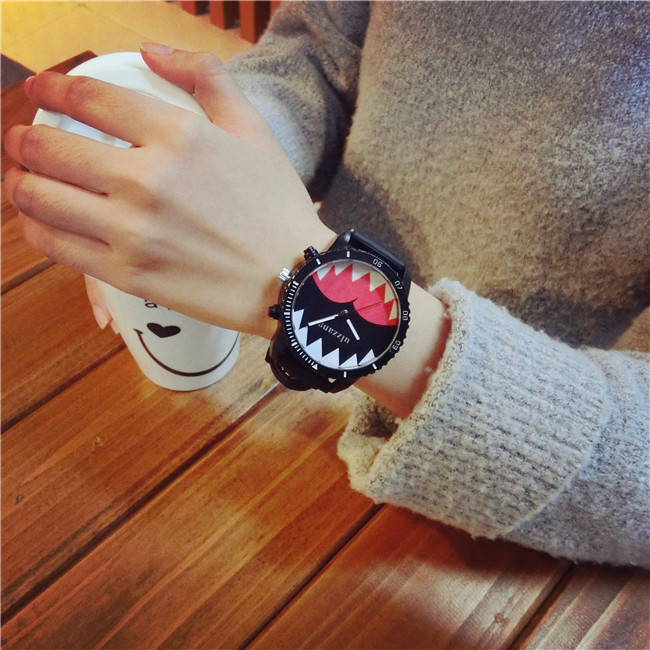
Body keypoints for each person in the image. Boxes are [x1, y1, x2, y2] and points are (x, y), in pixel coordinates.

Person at [4, 1, 648, 567]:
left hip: (518, 492)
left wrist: (296, 273)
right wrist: (209, 169)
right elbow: (317, 52)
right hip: (274, 385)